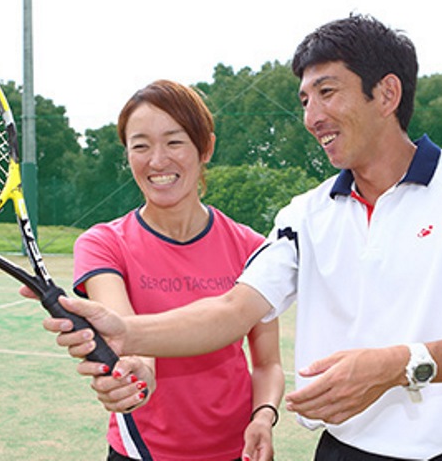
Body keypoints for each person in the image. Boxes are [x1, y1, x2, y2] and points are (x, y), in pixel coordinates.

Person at [37, 14, 442, 461]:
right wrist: (126, 332)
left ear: (386, 93)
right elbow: (231, 312)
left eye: (327, 92)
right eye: (303, 100)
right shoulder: (305, 214)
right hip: (336, 450)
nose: (312, 117)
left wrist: (397, 365)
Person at [58, 79, 284, 461]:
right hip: (141, 453)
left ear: (206, 147)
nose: (157, 160)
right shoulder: (102, 244)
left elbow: (267, 363)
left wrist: (263, 416)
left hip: (237, 452)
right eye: (141, 145)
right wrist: (137, 372)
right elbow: (123, 330)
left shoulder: (252, 247)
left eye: (174, 142)